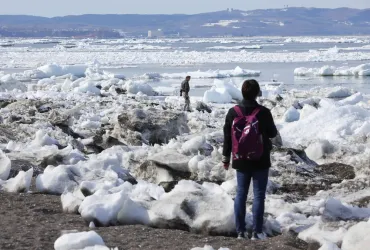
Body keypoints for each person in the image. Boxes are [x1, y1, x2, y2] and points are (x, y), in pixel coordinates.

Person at [222, 79, 277, 240]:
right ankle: (257, 231)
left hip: (240, 159)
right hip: (261, 159)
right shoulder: (264, 112)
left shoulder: (233, 112)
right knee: (259, 195)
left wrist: (226, 158)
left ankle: (240, 232)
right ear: (257, 93)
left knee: (241, 194)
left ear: (242, 92)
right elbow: (273, 133)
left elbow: (227, 138)